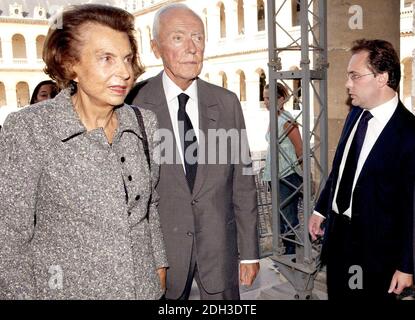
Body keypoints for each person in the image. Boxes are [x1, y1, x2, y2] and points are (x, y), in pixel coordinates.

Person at [0, 4, 167, 300]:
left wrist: (158, 265)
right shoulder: (29, 129)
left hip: (143, 290)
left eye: (127, 59)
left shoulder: (145, 123)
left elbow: (149, 205)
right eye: (107, 59)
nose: (125, 72)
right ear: (69, 64)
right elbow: (10, 239)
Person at [126, 3, 260, 300]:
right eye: (178, 38)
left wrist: (250, 253)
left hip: (220, 251)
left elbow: (243, 182)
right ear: (156, 47)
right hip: (160, 258)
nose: (192, 47)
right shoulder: (133, 104)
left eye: (198, 37)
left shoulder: (226, 103)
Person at [308, 39, 415, 300]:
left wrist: (407, 266)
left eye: (355, 76)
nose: (347, 84)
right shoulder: (355, 115)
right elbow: (341, 169)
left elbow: (413, 206)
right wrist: (321, 209)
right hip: (338, 238)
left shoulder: (410, 133)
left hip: (378, 254)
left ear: (382, 78)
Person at [262, 83, 303, 255]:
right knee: (280, 217)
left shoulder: (287, 121)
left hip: (288, 176)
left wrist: (304, 178)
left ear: (281, 99)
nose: (266, 102)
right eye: (264, 98)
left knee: (289, 217)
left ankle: (291, 255)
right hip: (274, 175)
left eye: (269, 98)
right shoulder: (274, 118)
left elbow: (300, 149)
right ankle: (287, 254)